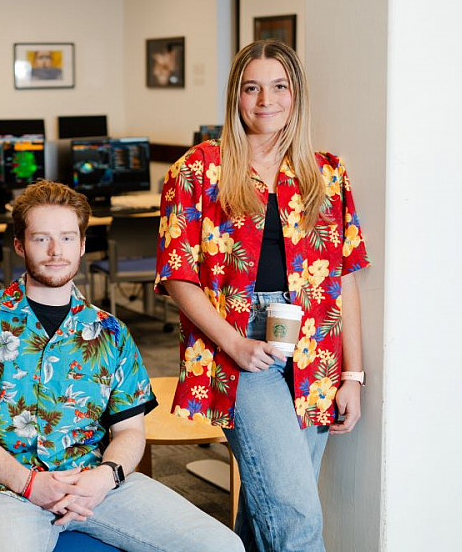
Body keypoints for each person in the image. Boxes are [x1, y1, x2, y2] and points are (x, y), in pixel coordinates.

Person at [0, 179, 243, 552]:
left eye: (68, 238)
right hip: (0, 487)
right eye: (41, 238)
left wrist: (105, 477)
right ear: (19, 244)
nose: (56, 251)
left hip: (92, 484)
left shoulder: (112, 331)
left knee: (222, 546)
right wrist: (30, 483)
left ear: (83, 245)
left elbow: (129, 431)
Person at [156, 40, 369, 551]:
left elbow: (343, 278)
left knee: (267, 507)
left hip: (315, 353)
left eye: (279, 86)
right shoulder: (196, 170)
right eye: (252, 87)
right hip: (238, 350)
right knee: (296, 517)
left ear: (296, 96)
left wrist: (354, 375)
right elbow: (177, 276)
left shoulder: (327, 172)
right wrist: (235, 343)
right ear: (236, 95)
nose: (265, 99)